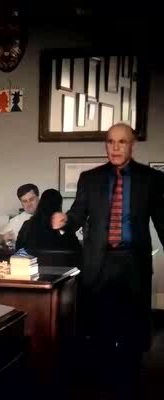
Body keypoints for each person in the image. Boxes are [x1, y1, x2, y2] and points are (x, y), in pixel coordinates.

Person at [51, 123, 164, 397]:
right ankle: (97, 384)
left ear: (132, 145)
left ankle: (130, 383)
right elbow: (78, 214)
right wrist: (65, 221)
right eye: (110, 142)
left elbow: (162, 219)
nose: (115, 147)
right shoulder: (90, 179)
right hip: (98, 262)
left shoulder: (151, 179)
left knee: (132, 329)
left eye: (121, 142)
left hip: (133, 262)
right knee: (98, 327)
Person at [15, 188, 80, 254]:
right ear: (59, 205)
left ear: (41, 203)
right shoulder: (64, 226)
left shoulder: (27, 225)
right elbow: (77, 250)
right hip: (61, 260)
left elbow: (18, 251)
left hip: (34, 260)